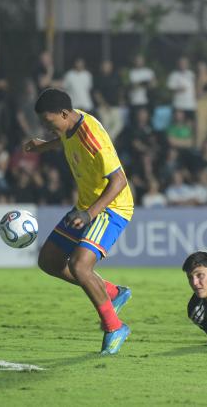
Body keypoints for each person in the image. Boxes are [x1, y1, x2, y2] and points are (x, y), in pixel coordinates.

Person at [24, 88, 134, 355]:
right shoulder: (69, 124)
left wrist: (89, 214)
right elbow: (63, 138)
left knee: (80, 265)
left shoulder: (92, 136)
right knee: (49, 260)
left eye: (49, 123)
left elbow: (119, 180)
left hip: (111, 208)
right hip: (87, 205)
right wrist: (44, 145)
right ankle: (111, 292)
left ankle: (114, 327)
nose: (47, 127)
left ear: (64, 114)